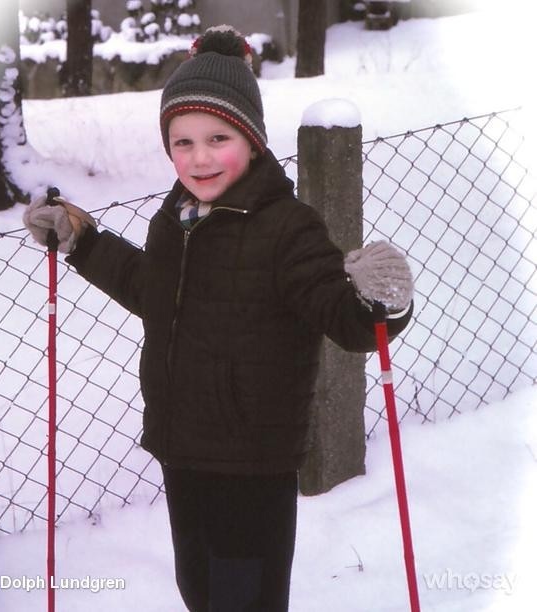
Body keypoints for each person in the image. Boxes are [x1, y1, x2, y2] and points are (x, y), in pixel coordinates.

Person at [24, 25, 414, 612]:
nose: (199, 157)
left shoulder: (288, 227)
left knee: (246, 597)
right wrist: (81, 242)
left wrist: (378, 299)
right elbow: (149, 287)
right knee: (201, 589)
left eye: (217, 137)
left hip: (252, 464)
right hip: (182, 452)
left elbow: (346, 318)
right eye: (182, 142)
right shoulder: (175, 218)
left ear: (252, 141)